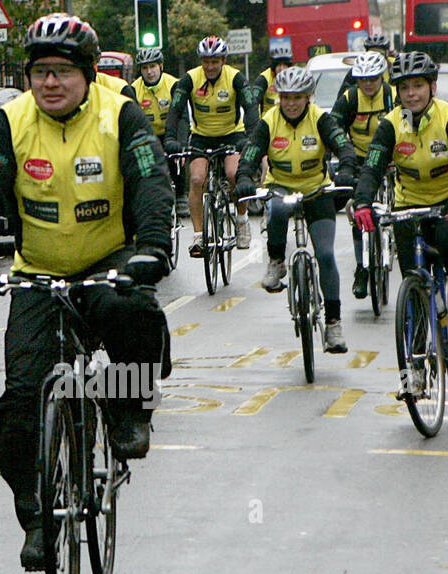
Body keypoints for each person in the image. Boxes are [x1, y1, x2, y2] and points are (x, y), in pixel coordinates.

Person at [0, 13, 172, 570]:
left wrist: (151, 246)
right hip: (37, 271)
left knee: (132, 311)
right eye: (39, 72)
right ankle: (36, 518)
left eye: (63, 72)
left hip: (109, 260)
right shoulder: (9, 122)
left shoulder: (120, 113)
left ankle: (129, 411)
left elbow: (150, 181)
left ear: (89, 74)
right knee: (20, 405)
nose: (50, 82)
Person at [352, 51, 448, 359]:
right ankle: (414, 365)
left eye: (418, 86)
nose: (411, 94)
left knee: (445, 238)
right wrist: (362, 201)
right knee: (412, 284)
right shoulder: (390, 125)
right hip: (408, 206)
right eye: (404, 88)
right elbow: (373, 166)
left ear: (432, 87)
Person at [235, 65, 357, 353]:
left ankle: (333, 323)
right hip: (281, 186)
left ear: (308, 97)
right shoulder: (269, 121)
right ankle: (276, 260)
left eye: (297, 97)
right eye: (285, 97)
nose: (291, 103)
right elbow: (252, 151)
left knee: (326, 255)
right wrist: (243, 176)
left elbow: (343, 145)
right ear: (279, 97)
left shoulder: (320, 119)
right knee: (276, 209)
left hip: (317, 190)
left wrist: (348, 169)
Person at [164, 36, 259, 253]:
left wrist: (252, 136)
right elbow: (175, 111)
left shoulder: (236, 78)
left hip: (232, 134)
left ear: (223, 60)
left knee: (234, 173)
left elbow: (251, 108)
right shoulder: (189, 79)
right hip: (202, 136)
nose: (210, 66)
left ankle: (242, 220)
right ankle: (198, 236)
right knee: (197, 179)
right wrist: (171, 138)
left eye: (215, 61)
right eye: (206, 61)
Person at [329, 50, 397, 300]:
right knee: (360, 212)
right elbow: (334, 129)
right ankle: (362, 267)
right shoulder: (349, 99)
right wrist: (342, 162)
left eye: (373, 79)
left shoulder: (392, 96)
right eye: (362, 79)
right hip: (360, 160)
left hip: (391, 157)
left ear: (381, 77)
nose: (368, 84)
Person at [133, 46, 187, 216]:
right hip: (149, 134)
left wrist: (181, 144)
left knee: (176, 157)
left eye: (153, 67)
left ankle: (180, 196)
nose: (149, 72)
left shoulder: (173, 84)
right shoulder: (134, 89)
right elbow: (133, 121)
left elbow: (182, 117)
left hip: (172, 131)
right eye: (145, 68)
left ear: (161, 66)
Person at [332, 33, 393, 105]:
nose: (376, 58)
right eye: (372, 54)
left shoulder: (394, 66)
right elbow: (342, 97)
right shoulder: (358, 70)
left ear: (387, 53)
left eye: (380, 54)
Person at [248, 51, 293, 116]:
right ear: (274, 67)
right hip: (269, 118)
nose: (282, 69)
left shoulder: (293, 77)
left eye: (284, 65)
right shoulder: (263, 79)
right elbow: (254, 101)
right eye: (279, 65)